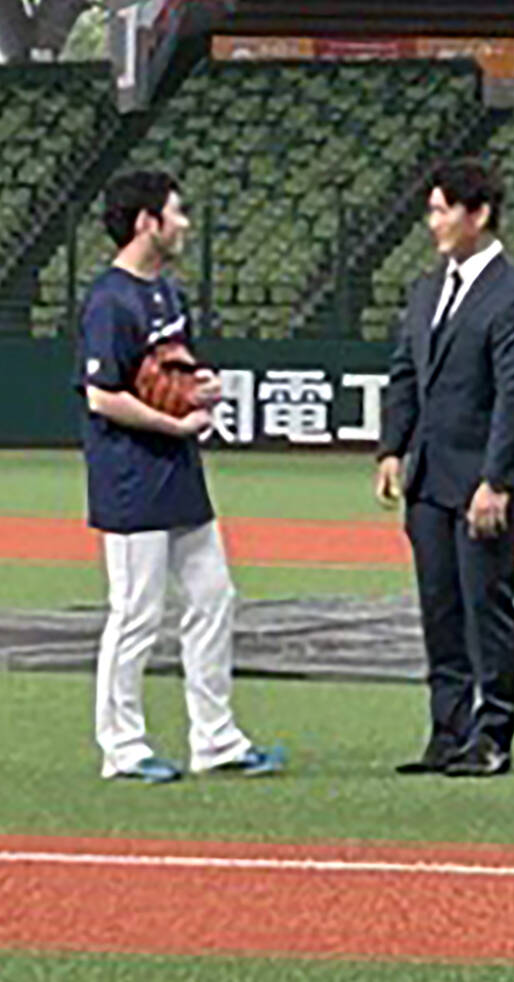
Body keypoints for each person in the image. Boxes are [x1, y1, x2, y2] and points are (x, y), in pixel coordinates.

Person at [76, 170, 282, 784]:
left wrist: (200, 387)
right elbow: (102, 395)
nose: (184, 222)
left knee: (214, 597)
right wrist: (175, 423)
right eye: (176, 211)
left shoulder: (167, 293)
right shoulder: (110, 300)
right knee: (136, 614)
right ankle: (122, 748)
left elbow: (173, 372)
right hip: (130, 477)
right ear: (148, 223)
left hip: (178, 473)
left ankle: (215, 739)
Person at [376, 158, 514, 778]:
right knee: (440, 607)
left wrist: (495, 481)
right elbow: (405, 372)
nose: (433, 222)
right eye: (431, 210)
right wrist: (392, 448)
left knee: (486, 606)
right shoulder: (428, 290)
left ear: (478, 214)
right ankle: (447, 730)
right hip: (428, 476)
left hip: (482, 480)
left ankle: (493, 733)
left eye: (442, 210)